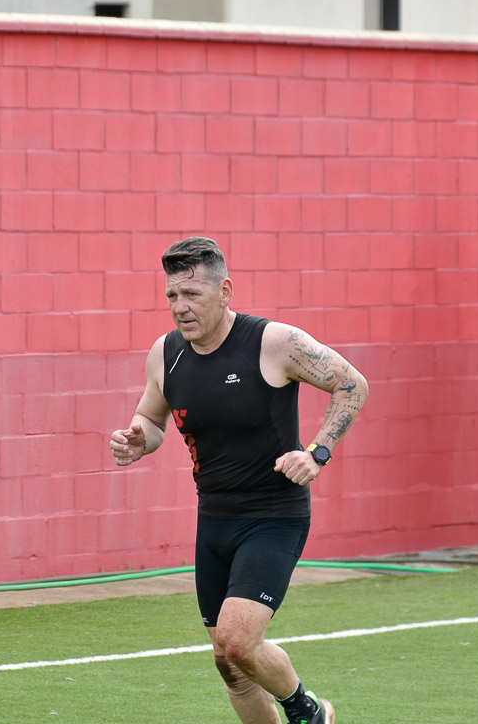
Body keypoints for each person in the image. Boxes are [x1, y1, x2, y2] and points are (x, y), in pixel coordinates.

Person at [110, 237, 369, 724]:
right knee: (229, 664)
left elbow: (352, 383)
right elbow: (151, 417)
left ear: (224, 291)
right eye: (172, 296)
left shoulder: (273, 342)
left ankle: (308, 713)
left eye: (192, 294)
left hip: (273, 516)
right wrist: (137, 439)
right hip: (214, 519)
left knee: (237, 641)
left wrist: (317, 453)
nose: (180, 307)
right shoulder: (166, 353)